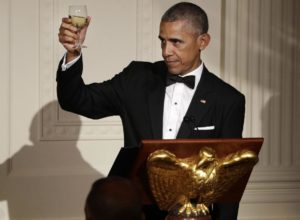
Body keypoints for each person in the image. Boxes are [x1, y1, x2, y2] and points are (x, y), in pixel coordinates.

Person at [57, 2, 245, 220]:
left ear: (203, 41)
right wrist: (73, 52)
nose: (166, 51)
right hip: (135, 214)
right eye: (162, 41)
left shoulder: (228, 100)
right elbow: (76, 100)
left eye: (176, 42)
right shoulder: (137, 78)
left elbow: (228, 180)